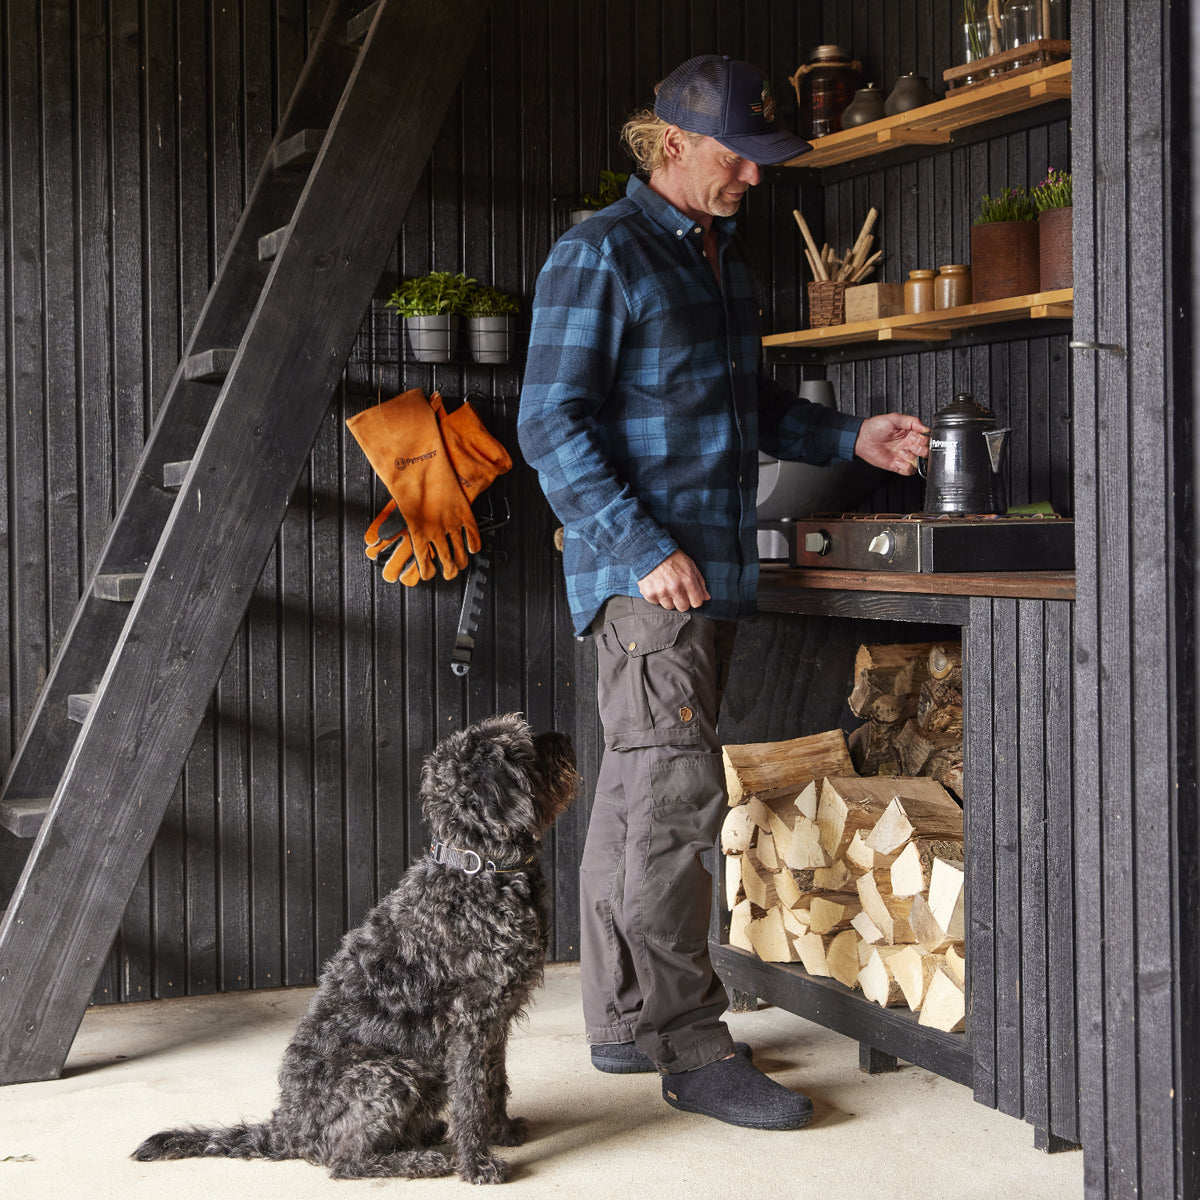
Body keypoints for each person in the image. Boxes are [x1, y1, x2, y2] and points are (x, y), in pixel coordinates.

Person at [517, 54, 928, 1131]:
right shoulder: (600, 253)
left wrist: (853, 437)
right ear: (672, 143)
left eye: (761, 160)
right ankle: (689, 1048)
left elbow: (753, 406)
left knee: (636, 796)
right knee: (672, 805)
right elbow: (549, 423)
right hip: (653, 579)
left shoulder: (717, 258)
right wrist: (641, 547)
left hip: (705, 572)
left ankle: (623, 1018)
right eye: (738, 157)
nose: (754, 176)